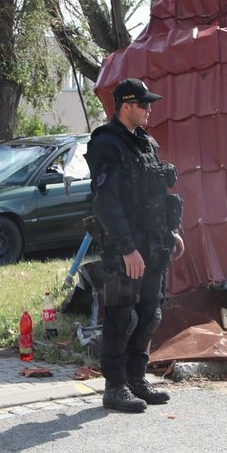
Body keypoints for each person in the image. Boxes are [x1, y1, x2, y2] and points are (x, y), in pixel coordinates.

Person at [85, 78, 185, 413]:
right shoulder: (106, 144)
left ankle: (137, 379)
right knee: (121, 316)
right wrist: (127, 248)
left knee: (148, 314)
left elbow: (156, 196)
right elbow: (106, 203)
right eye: (143, 104)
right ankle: (115, 387)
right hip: (125, 249)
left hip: (153, 245)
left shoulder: (145, 142)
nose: (149, 109)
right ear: (126, 106)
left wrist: (171, 233)